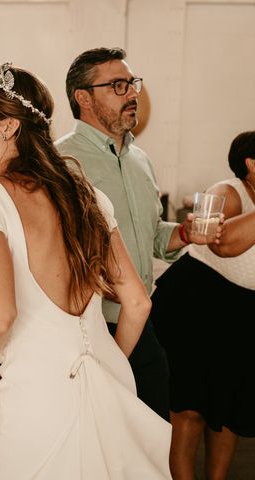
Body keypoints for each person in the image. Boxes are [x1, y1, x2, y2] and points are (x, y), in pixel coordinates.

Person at [0, 62, 171, 479]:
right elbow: (138, 302)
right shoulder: (87, 193)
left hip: (36, 398)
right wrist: (105, 366)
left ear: (8, 127)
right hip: (109, 382)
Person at [56, 47, 221, 421]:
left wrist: (184, 232)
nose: (133, 94)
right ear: (83, 97)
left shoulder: (140, 159)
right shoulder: (61, 163)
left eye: (132, 83)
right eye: (118, 85)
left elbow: (152, 238)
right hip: (90, 330)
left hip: (144, 323)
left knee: (151, 440)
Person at [151, 131, 255, 480]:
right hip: (198, 304)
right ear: (251, 164)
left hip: (242, 312)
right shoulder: (227, 192)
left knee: (228, 412)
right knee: (189, 408)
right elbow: (221, 243)